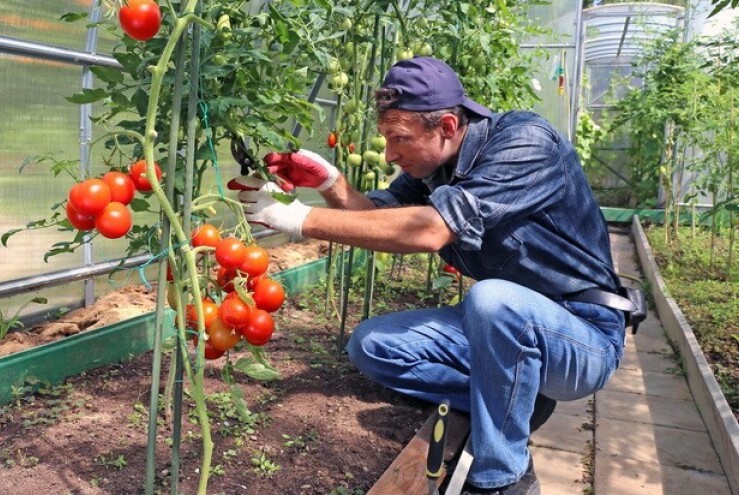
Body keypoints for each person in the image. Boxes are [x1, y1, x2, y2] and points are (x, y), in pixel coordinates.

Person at [230, 56, 628, 495]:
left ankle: (503, 478)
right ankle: (515, 396)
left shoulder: (525, 142)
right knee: (372, 345)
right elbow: (381, 220)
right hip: (504, 328)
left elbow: (431, 229)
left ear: (447, 126)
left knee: (493, 300)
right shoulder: (430, 169)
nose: (390, 154)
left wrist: (301, 220)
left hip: (583, 333)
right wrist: (330, 183)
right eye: (385, 138)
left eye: (399, 139)